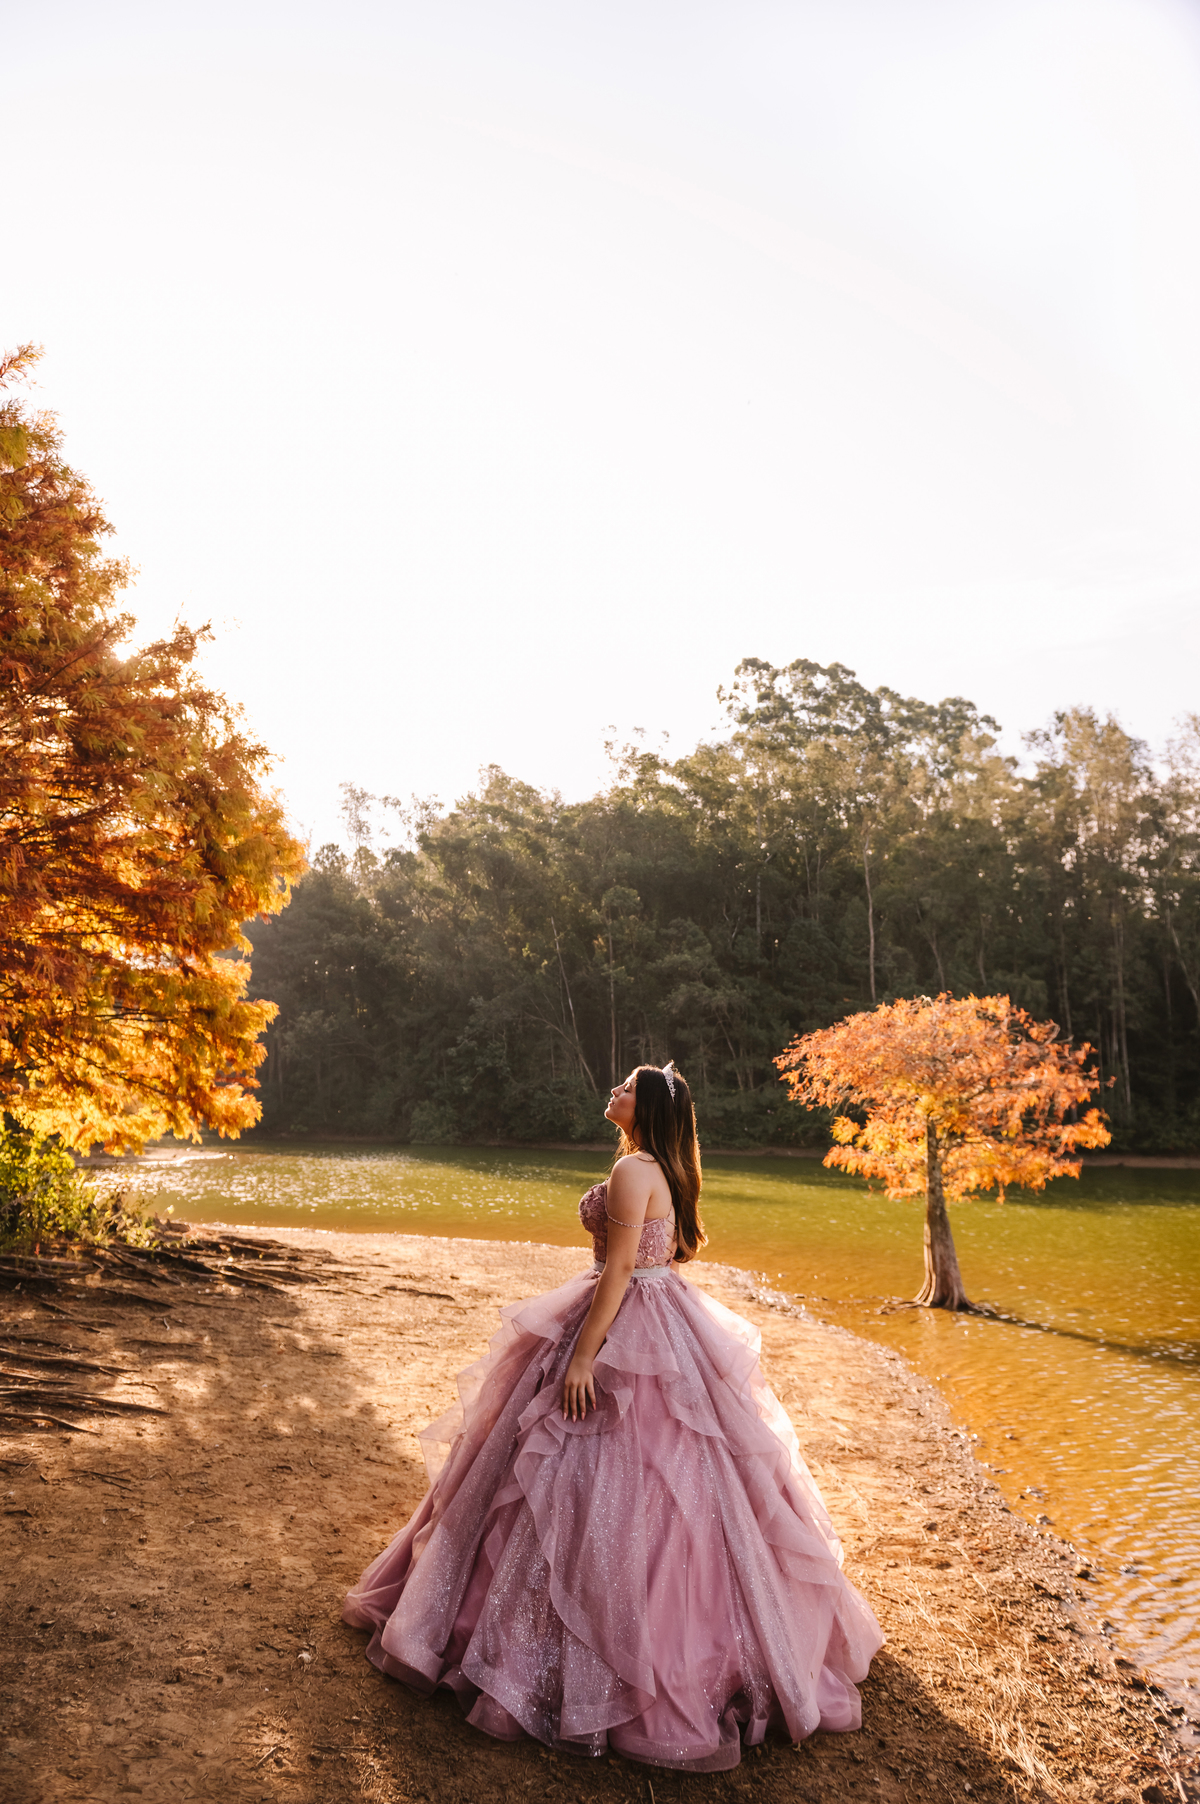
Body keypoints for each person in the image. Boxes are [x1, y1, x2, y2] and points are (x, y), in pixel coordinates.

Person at [343, 1062, 883, 1772]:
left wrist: (581, 1359)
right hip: (657, 1314)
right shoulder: (656, 1167)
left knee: (603, 1476)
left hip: (629, 1320)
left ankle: (595, 1656)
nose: (614, 1093)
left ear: (646, 1106)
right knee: (643, 1479)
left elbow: (622, 1270)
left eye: (626, 1088)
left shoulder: (635, 1172)